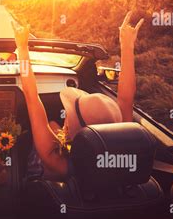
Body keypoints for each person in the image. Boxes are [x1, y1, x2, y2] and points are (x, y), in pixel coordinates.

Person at [12, 11, 144, 181]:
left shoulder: (56, 159)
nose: (66, 115)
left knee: (49, 127)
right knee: (52, 125)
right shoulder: (119, 149)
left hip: (41, 187)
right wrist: (127, 47)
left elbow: (31, 96)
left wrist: (22, 48)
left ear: (76, 132)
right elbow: (126, 99)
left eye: (70, 114)